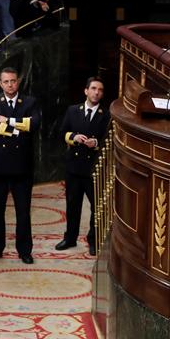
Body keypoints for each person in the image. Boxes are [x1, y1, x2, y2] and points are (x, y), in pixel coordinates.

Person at [0, 68, 40, 264]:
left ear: (18, 82)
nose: (10, 85)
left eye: (13, 81)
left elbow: (34, 125)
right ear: (0, 83)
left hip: (22, 167)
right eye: (6, 81)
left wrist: (7, 121)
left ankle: (25, 250)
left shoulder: (30, 102)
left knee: (23, 211)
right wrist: (17, 130)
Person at [56, 77, 109, 256]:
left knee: (96, 207)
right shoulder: (73, 110)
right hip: (74, 167)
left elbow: (110, 141)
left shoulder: (107, 114)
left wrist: (97, 143)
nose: (97, 92)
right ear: (86, 91)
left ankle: (93, 240)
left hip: (94, 169)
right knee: (72, 205)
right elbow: (62, 132)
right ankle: (70, 238)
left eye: (100, 90)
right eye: (93, 88)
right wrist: (74, 137)